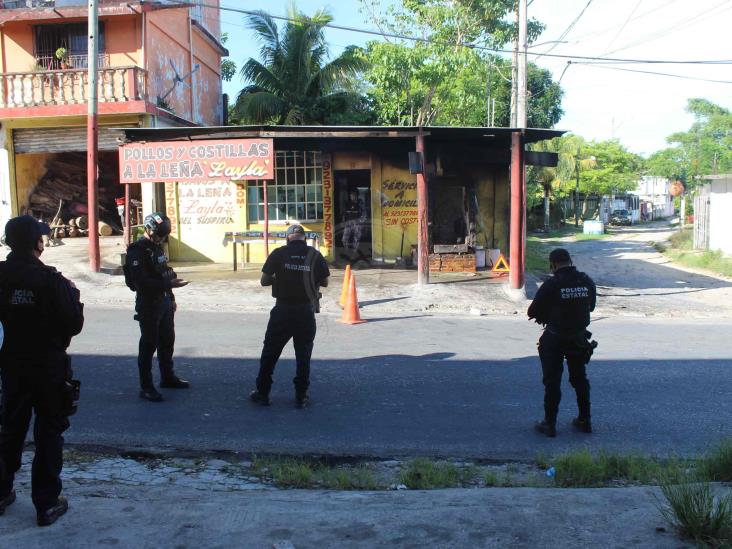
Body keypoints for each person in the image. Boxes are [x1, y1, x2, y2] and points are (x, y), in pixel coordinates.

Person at [0, 215, 84, 526]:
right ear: (37, 243)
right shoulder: (53, 281)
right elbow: (73, 324)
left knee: (10, 428)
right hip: (48, 368)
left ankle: (2, 491)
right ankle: (47, 503)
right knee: (49, 432)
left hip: (10, 366)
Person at [249, 224, 329, 408]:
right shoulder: (315, 255)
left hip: (282, 310)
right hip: (305, 311)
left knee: (270, 352)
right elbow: (324, 282)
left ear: (288, 238)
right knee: (303, 354)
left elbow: (264, 281)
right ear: (305, 239)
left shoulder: (278, 253)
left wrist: (282, 278)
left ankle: (263, 393)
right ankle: (301, 397)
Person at [527, 248, 597, 437]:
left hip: (554, 338)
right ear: (570, 260)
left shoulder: (552, 284)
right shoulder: (585, 281)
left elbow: (531, 312)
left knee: (552, 382)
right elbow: (591, 305)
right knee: (580, 379)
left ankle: (550, 424)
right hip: (578, 338)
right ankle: (585, 419)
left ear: (552, 265)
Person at [125, 213, 189, 402]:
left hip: (164, 301)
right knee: (149, 344)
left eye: (164, 234)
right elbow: (140, 282)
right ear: (149, 229)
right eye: (160, 234)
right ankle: (146, 386)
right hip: (148, 303)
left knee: (167, 341)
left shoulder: (156, 248)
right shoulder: (137, 251)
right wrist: (168, 286)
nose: (162, 238)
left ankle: (167, 377)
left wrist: (171, 296)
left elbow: (164, 273)